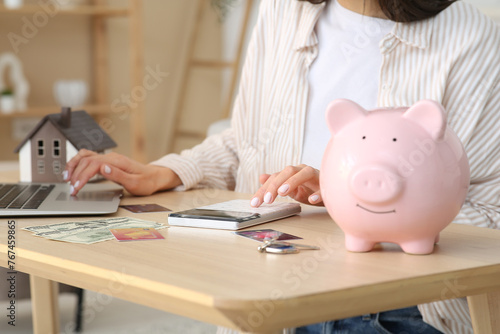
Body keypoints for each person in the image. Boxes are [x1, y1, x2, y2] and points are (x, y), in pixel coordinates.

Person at [64, 0, 499, 333]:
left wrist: (347, 197)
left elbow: (491, 216)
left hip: (396, 311)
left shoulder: (475, 37)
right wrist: (170, 171)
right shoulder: (284, 11)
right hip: (270, 293)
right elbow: (246, 142)